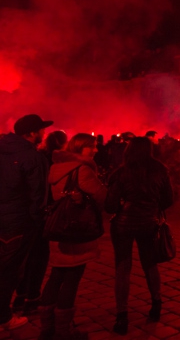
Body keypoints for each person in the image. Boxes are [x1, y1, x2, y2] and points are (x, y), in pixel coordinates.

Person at [40, 133, 106, 340]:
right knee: (72, 279)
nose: (95, 150)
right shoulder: (82, 170)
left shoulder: (56, 168)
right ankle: (63, 331)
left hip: (58, 231)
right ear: (80, 148)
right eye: (91, 147)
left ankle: (46, 329)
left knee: (56, 275)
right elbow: (103, 197)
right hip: (76, 231)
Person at [105, 137, 174, 335]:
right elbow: (168, 199)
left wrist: (121, 206)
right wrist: (152, 207)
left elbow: (109, 205)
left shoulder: (120, 172)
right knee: (150, 264)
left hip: (123, 224)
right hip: (148, 223)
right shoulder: (160, 170)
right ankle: (156, 304)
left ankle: (122, 316)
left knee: (123, 267)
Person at [0, 114, 52, 331]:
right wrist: (38, 220)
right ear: (31, 133)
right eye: (40, 130)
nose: (43, 134)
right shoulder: (31, 156)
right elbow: (38, 195)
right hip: (18, 222)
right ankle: (3, 317)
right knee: (9, 270)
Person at [13, 130, 67, 319]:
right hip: (37, 215)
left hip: (21, 214)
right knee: (38, 257)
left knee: (25, 258)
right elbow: (41, 190)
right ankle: (32, 298)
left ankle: (20, 296)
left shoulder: (34, 156)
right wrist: (41, 213)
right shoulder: (47, 160)